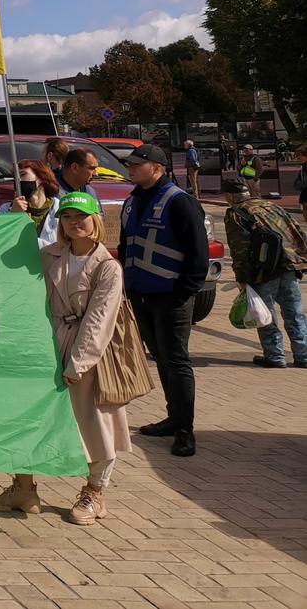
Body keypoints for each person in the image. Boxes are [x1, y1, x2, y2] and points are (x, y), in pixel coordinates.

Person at [0, 192, 131, 525]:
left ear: (95, 219)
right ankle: (23, 487)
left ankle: (95, 493)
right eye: (66, 217)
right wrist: (15, 217)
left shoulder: (108, 267)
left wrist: (78, 363)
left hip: (87, 355)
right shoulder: (51, 254)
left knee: (93, 424)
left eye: (80, 216)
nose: (73, 222)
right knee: (28, 417)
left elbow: (100, 318)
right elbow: (8, 257)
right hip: (44, 346)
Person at [119, 144, 208, 457]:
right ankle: (173, 418)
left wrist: (184, 292)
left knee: (176, 360)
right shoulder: (132, 201)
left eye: (135, 164)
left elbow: (199, 254)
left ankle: (185, 431)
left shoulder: (180, 201)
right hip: (141, 294)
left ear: (156, 168)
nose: (129, 168)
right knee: (161, 357)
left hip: (171, 297)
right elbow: (125, 245)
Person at [222, 176, 307, 368]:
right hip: (288, 264)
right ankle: (303, 355)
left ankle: (275, 355)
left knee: (264, 313)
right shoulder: (270, 205)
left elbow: (239, 250)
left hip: (263, 270)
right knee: (294, 312)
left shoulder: (236, 213)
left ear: (229, 195)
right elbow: (296, 231)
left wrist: (242, 278)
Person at [0, 160, 59, 245]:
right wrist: (14, 216)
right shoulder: (5, 209)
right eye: (15, 177)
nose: (18, 180)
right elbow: (2, 241)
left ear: (40, 179)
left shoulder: (60, 209)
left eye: (23, 174)